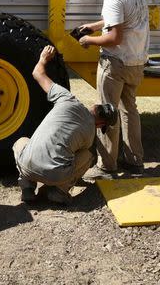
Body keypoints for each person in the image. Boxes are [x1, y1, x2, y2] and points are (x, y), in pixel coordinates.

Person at [12, 45, 118, 205]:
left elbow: (37, 73)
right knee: (87, 156)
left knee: (20, 142)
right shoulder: (89, 135)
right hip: (55, 176)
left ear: (95, 107)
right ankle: (59, 191)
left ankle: (27, 186)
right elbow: (73, 157)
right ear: (101, 122)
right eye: (100, 127)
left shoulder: (66, 98)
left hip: (28, 166)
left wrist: (43, 59)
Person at [77, 0, 150, 178]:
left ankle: (107, 166)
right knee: (129, 110)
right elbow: (124, 20)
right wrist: (96, 25)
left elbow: (114, 38)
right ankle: (135, 161)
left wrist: (88, 40)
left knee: (107, 112)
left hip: (115, 62)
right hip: (136, 60)